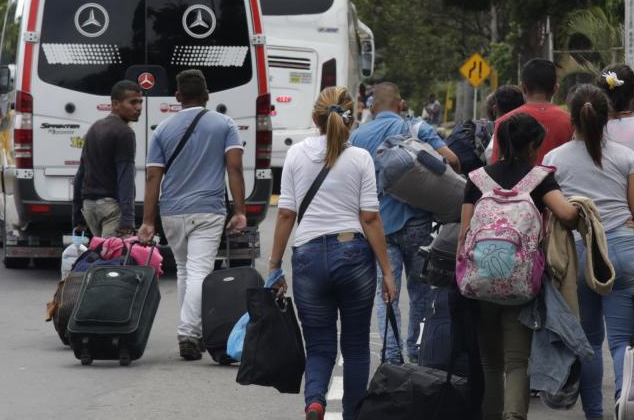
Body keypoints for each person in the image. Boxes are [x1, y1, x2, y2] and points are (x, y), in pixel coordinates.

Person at [268, 86, 398, 420]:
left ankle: (314, 402)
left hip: (308, 256)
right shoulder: (360, 158)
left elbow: (286, 214)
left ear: (315, 118)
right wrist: (387, 271)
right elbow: (370, 218)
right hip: (352, 255)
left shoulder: (296, 154)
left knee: (319, 344)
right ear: (351, 119)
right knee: (355, 346)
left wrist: (274, 266)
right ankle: (352, 414)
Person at [543, 84, 634, 420]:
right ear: (607, 118)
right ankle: (623, 406)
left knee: (588, 342)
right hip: (627, 251)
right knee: (621, 342)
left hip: (580, 256)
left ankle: (595, 416)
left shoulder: (553, 160)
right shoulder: (627, 157)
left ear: (572, 118)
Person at [460, 113, 579, 419]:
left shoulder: (477, 179)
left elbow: (464, 234)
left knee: (490, 361)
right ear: (532, 146)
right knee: (516, 361)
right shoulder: (538, 179)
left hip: (480, 281)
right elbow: (567, 215)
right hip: (521, 283)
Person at [138, 70, 248, 361]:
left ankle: (193, 331)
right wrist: (240, 210)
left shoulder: (162, 129)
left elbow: (152, 176)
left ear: (177, 97)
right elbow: (234, 168)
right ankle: (188, 333)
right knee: (199, 271)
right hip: (208, 209)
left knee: (185, 270)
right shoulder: (225, 124)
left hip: (171, 211)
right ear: (207, 94)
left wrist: (148, 221)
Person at [349, 82, 459, 365]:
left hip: (380, 227)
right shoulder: (416, 128)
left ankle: (392, 356)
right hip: (418, 224)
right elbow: (452, 160)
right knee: (421, 292)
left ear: (372, 108)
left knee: (387, 292)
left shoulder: (358, 136)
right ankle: (418, 352)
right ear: (401, 105)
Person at [72, 80, 142, 238]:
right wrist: (127, 220)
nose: (138, 107)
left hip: (89, 207)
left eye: (140, 102)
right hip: (111, 209)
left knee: (101, 251)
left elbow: (81, 173)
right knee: (113, 254)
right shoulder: (125, 133)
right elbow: (126, 178)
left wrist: (77, 215)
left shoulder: (95, 127)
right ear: (115, 104)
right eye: (133, 102)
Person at [489, 59, 573, 165]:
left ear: (523, 87)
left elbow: (496, 165)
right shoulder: (570, 121)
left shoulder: (505, 122)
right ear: (555, 89)